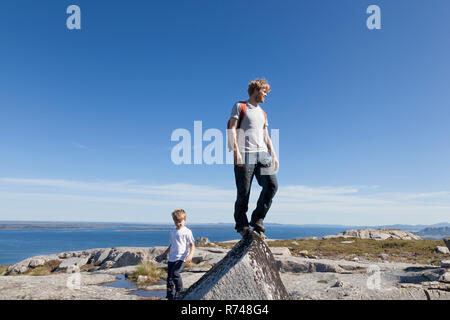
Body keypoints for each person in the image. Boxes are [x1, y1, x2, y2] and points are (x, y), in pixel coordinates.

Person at [228, 78, 279, 238]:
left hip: (263, 155)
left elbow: (266, 135)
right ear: (256, 90)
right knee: (244, 191)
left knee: (272, 185)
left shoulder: (263, 113)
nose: (266, 95)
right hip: (245, 153)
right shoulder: (240, 106)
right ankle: (242, 226)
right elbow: (232, 129)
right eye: (264, 91)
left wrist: (274, 154)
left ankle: (257, 219)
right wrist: (235, 151)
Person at [157, 209, 195, 300]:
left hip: (181, 257)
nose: (178, 223)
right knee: (169, 278)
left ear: (184, 220)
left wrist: (190, 255)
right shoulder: (173, 231)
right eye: (176, 222)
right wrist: (165, 253)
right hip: (172, 258)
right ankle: (170, 296)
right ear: (174, 221)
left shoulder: (187, 231)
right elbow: (172, 244)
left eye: (180, 221)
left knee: (175, 273)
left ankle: (180, 292)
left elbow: (192, 244)